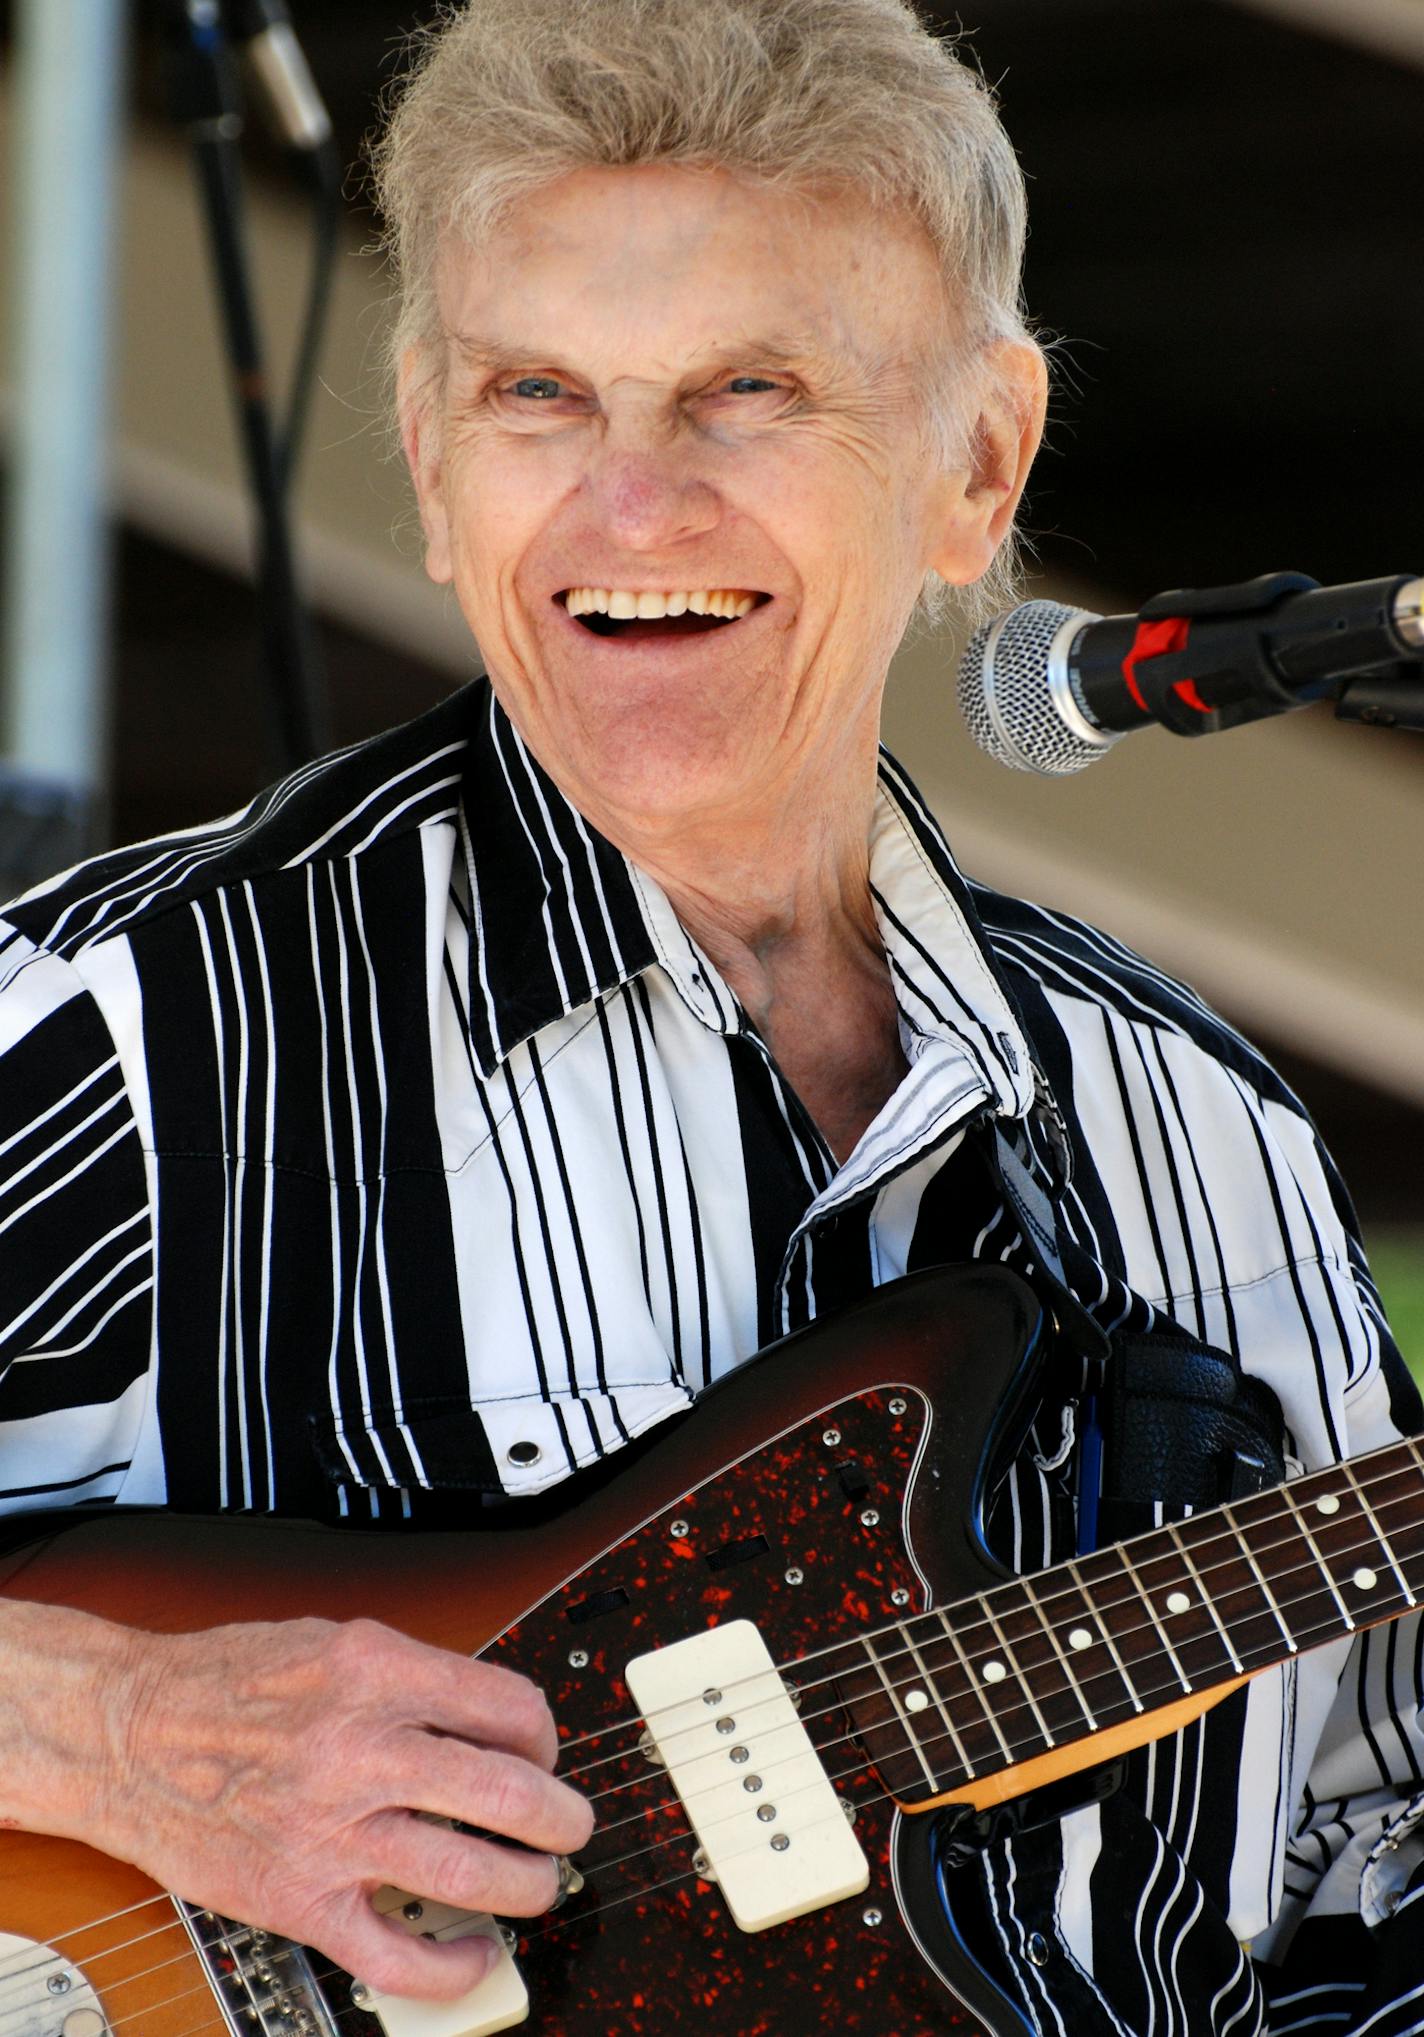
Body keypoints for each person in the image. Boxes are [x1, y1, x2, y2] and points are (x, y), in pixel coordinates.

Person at [0, 1, 1420, 2030]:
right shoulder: (126, 1028)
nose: (631, 506)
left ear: (975, 465)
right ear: (424, 459)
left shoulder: (1205, 1140)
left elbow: (1362, 1881)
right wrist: (106, 1722)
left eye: (748, 392)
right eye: (537, 397)